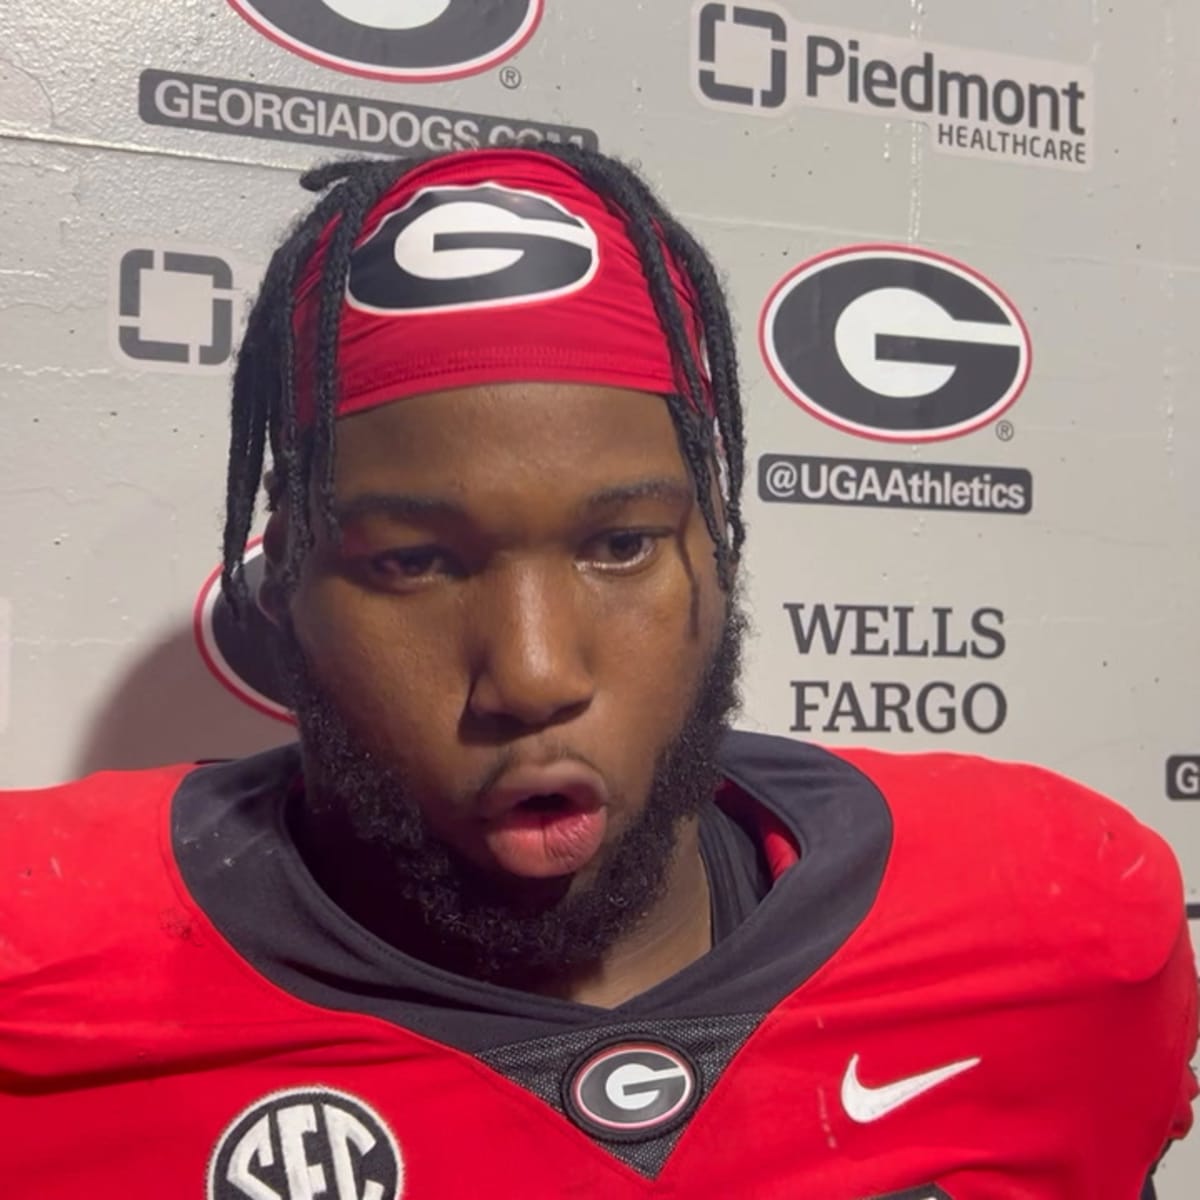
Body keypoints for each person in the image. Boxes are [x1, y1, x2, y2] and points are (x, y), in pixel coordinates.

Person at [0, 145, 1194, 1200]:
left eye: (621, 545)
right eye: (413, 561)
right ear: (286, 583)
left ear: (720, 547)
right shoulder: (37, 979)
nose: (530, 674)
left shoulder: (1052, 934)